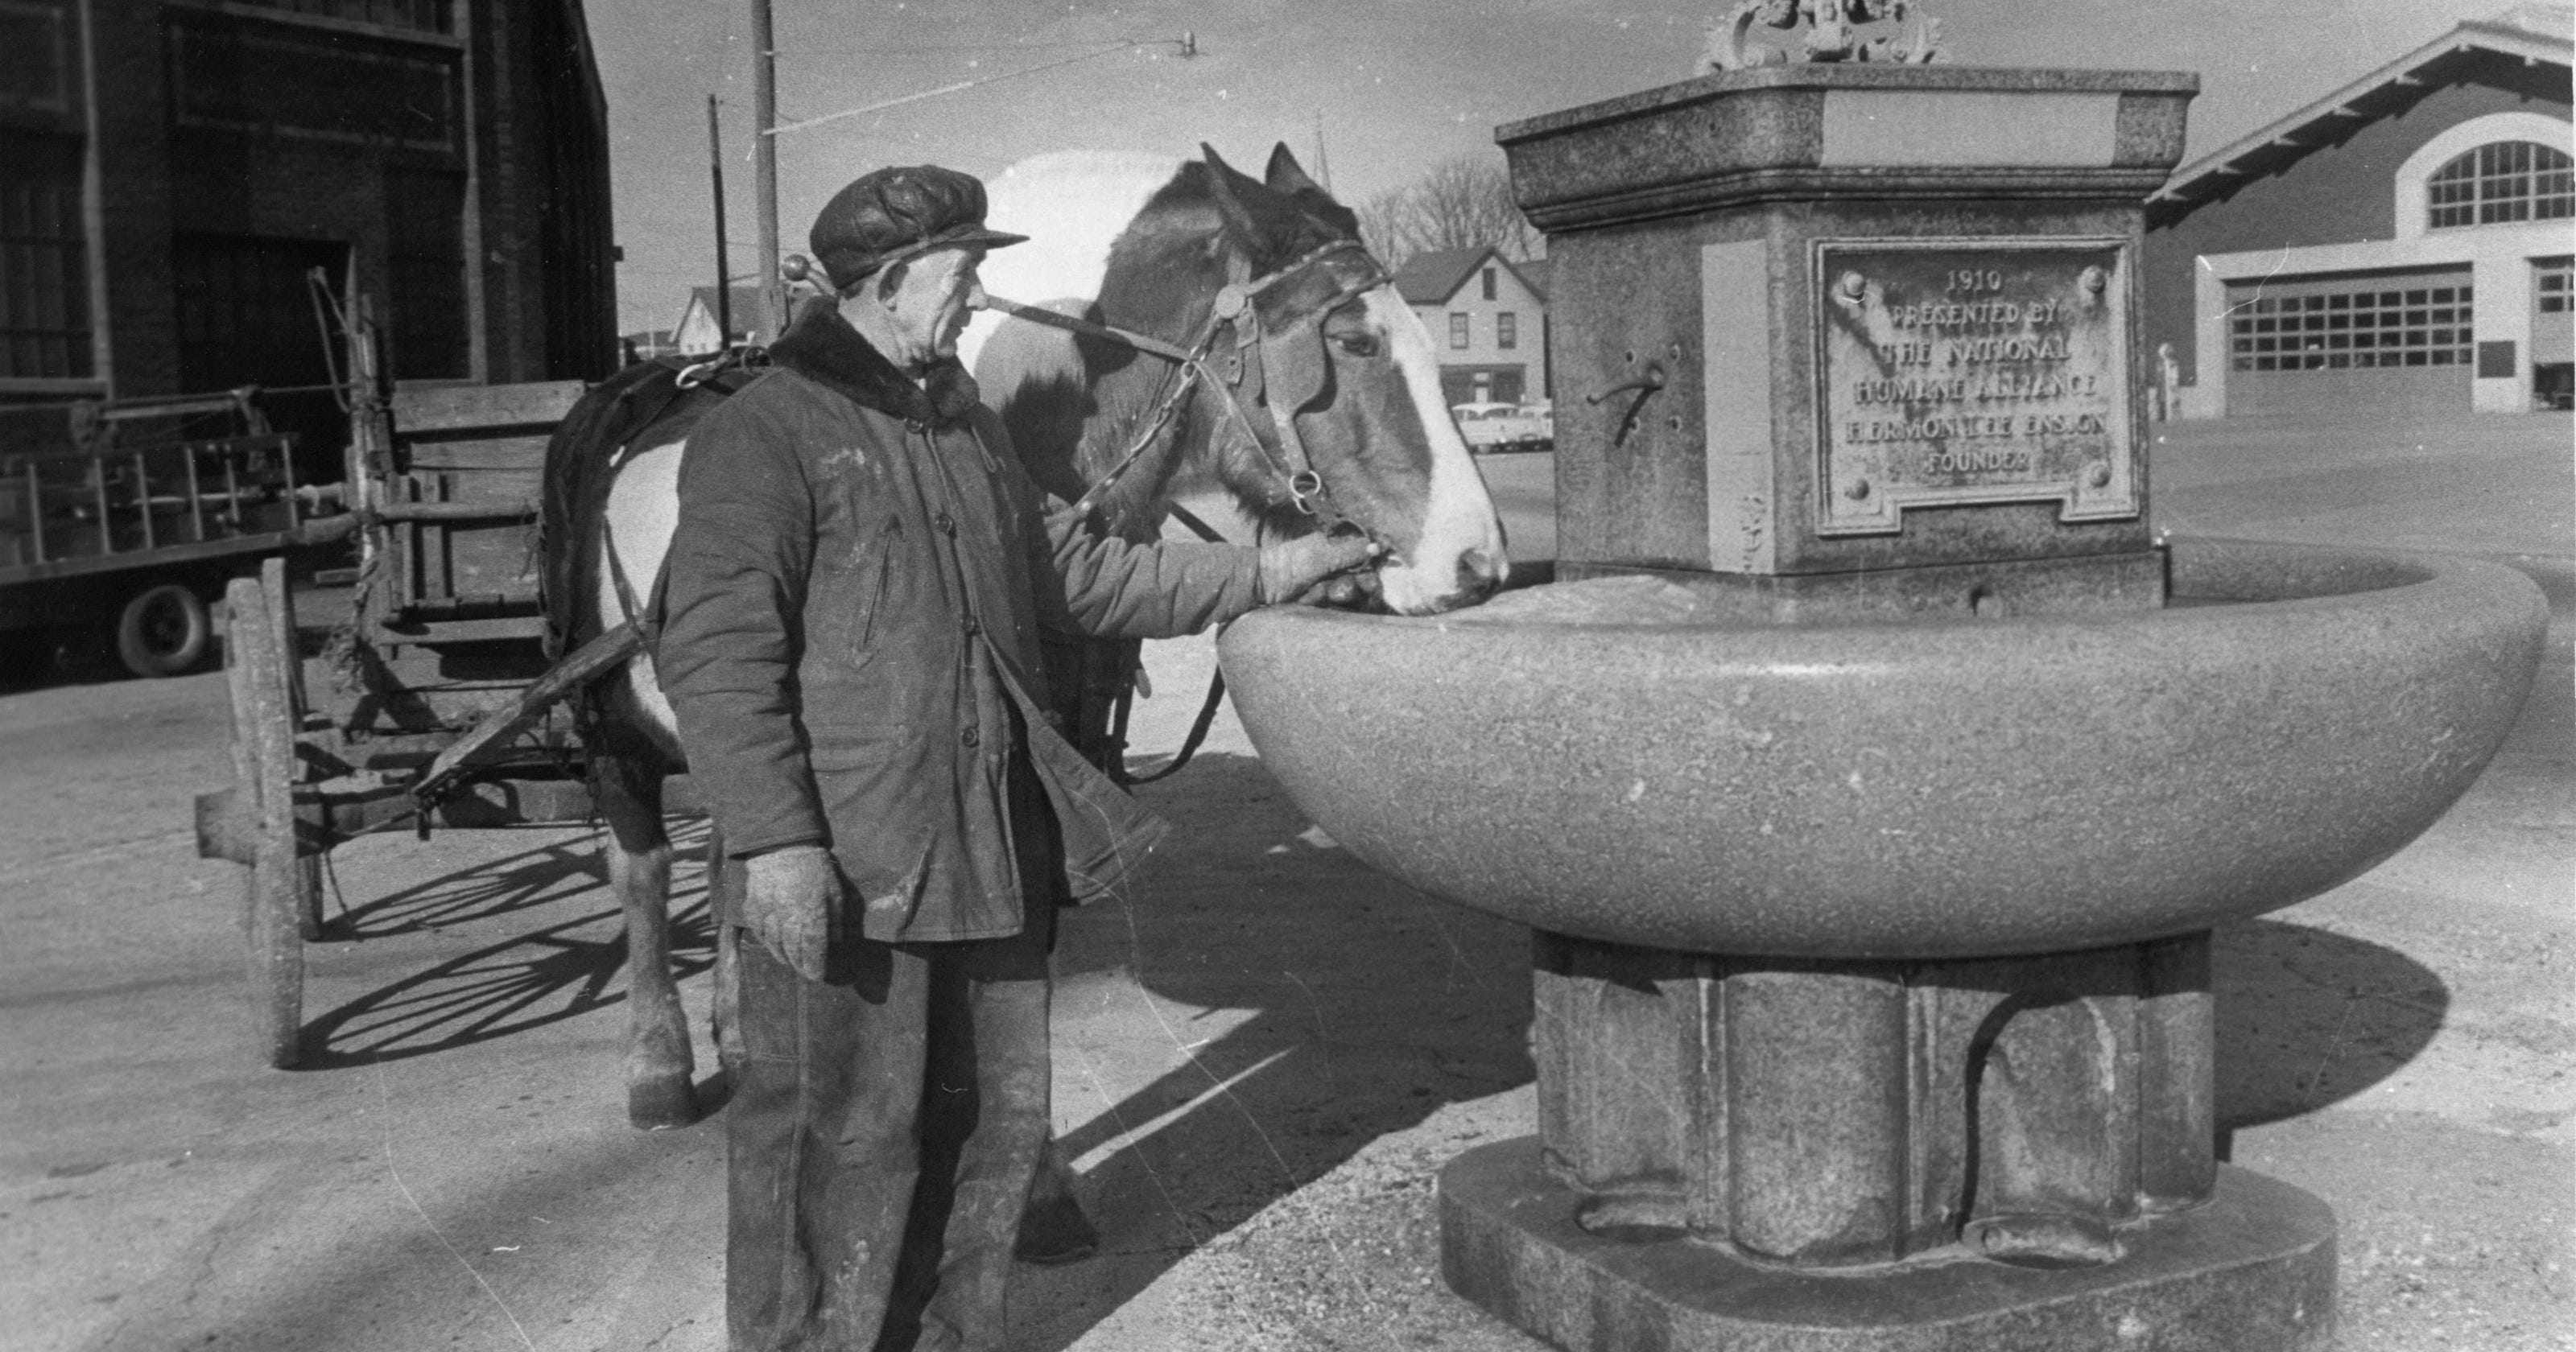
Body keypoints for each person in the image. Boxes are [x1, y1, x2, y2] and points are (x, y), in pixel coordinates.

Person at [654, 164, 1375, 1352]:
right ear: (891, 282)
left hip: (989, 848)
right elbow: (718, 659)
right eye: (965, 267)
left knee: (987, 1132)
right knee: (836, 1136)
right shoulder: (764, 434)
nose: (981, 291)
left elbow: (1080, 577)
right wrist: (779, 846)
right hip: (851, 865)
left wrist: (1275, 569)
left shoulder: (966, 429)